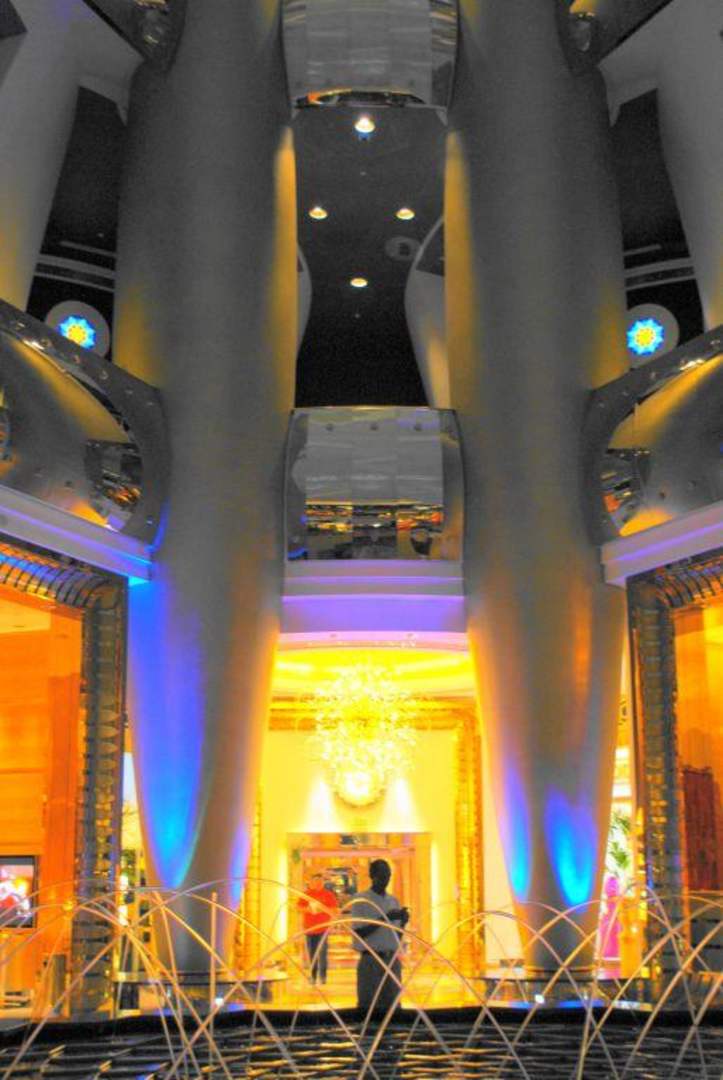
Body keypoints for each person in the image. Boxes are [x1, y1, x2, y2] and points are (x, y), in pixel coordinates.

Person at [350, 859, 409, 1014]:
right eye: (382, 876)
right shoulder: (361, 900)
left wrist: (403, 923)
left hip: (391, 961)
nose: (386, 880)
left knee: (393, 1007)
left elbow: (396, 936)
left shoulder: (393, 901)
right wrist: (384, 919)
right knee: (369, 1007)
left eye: (388, 875)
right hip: (371, 960)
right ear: (372, 876)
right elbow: (359, 932)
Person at [298, 872, 338, 984]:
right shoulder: (306, 894)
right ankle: (313, 976)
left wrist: (323, 909)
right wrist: (309, 909)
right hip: (309, 929)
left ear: (323, 883)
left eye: (320, 881)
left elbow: (335, 910)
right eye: (316, 881)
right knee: (312, 954)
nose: (318, 883)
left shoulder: (328, 895)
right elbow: (298, 907)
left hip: (323, 929)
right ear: (311, 882)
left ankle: (323, 977)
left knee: (322, 953)